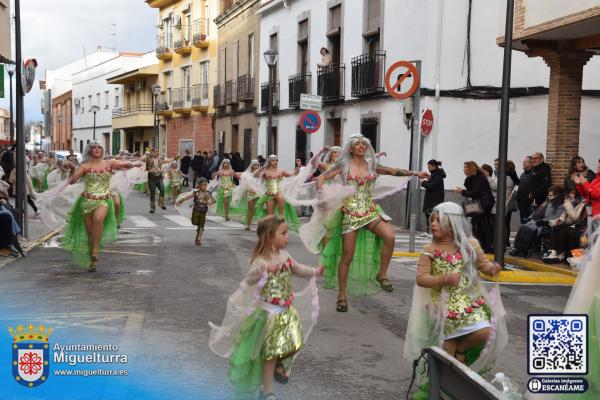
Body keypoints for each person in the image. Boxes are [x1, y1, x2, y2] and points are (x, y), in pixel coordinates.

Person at [208, 215, 323, 399]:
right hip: (267, 315)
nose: (288, 237)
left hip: (286, 313)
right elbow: (251, 277)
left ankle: (278, 364)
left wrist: (314, 272)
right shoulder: (260, 260)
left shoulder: (285, 256)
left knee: (295, 343)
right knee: (269, 355)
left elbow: (297, 268)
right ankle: (267, 392)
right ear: (270, 237)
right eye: (284, 233)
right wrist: (265, 269)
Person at [315, 134, 429, 311]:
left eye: (364, 143)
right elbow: (321, 178)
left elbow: (392, 171)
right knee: (347, 256)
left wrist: (415, 173)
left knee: (390, 236)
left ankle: (381, 274)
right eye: (357, 144)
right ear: (351, 148)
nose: (361, 146)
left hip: (369, 211)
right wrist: (322, 195)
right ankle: (342, 296)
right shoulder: (343, 165)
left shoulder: (371, 165)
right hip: (350, 213)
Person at [404, 202, 506, 398]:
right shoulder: (429, 249)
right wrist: (444, 279)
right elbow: (421, 278)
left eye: (439, 221)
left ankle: (462, 349)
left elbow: (483, 265)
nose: (433, 224)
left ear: (454, 224)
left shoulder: (471, 245)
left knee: (486, 332)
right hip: (441, 307)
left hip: (470, 303)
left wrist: (492, 269)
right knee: (445, 351)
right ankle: (440, 389)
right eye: (432, 220)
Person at [62, 141, 141, 271]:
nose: (98, 149)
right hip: (86, 201)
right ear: (89, 151)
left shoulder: (108, 163)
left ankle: (95, 252)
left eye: (100, 147)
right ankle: (92, 263)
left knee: (98, 219)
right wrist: (72, 169)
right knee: (90, 234)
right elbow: (73, 180)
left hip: (104, 199)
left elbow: (124, 164)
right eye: (94, 148)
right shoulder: (85, 166)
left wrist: (135, 164)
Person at [510, 185, 566, 258]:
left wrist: (543, 221)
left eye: (551, 195)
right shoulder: (547, 202)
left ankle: (524, 250)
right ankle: (518, 248)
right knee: (523, 226)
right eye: (548, 195)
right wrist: (529, 218)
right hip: (539, 220)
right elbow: (537, 212)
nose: (549, 196)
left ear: (557, 195)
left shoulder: (560, 205)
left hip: (547, 223)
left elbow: (555, 217)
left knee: (530, 228)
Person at [454, 161, 495, 253]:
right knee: (478, 223)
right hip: (481, 202)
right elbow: (471, 189)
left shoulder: (479, 178)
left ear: (470, 168)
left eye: (465, 167)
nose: (463, 169)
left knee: (481, 223)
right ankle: (483, 245)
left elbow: (474, 193)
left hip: (484, 203)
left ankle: (486, 245)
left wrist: (462, 191)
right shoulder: (474, 177)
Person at [253, 155, 301, 231]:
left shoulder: (281, 171)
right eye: (273, 160)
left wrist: (297, 169)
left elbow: (292, 174)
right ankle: (271, 231)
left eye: (276, 160)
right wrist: (262, 168)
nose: (275, 162)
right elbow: (255, 175)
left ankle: (281, 223)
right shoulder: (265, 171)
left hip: (278, 193)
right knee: (270, 216)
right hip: (269, 195)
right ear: (269, 162)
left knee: (281, 199)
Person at [542, 189, 587, 264]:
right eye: (570, 193)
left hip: (577, 224)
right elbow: (563, 215)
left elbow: (575, 217)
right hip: (568, 223)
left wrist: (567, 203)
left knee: (566, 232)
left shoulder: (582, 203)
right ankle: (553, 252)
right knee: (556, 228)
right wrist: (560, 221)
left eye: (573, 193)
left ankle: (563, 254)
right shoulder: (574, 202)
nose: (571, 195)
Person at [176, 178, 213, 246]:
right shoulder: (196, 193)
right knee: (194, 222)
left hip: (203, 212)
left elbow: (209, 200)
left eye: (205, 185)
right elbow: (188, 197)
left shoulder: (207, 193)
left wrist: (209, 202)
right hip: (196, 211)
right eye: (203, 185)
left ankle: (198, 239)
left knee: (201, 226)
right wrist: (180, 200)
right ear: (199, 186)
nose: (204, 186)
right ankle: (199, 228)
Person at [140, 149, 173, 213]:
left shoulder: (160, 159)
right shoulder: (148, 159)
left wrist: (175, 158)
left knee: (162, 190)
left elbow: (167, 161)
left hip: (159, 177)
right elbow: (141, 159)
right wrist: (147, 154)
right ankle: (152, 208)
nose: (157, 153)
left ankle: (161, 203)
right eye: (156, 152)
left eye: (158, 152)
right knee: (152, 193)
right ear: (152, 152)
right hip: (152, 178)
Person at [574, 158, 600, 232]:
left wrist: (585, 182)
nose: (598, 166)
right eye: (599, 164)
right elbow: (587, 195)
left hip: (598, 215)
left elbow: (596, 194)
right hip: (590, 214)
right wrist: (579, 185)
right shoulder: (596, 179)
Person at [421, 159, 446, 235]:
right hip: (431, 201)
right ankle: (429, 232)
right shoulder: (435, 175)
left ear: (434, 166)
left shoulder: (438, 176)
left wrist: (423, 182)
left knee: (432, 217)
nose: (428, 168)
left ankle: (433, 233)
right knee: (428, 216)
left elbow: (431, 186)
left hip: (434, 201)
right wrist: (429, 179)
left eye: (429, 166)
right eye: (427, 166)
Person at [517, 156, 534, 223]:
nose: (522, 163)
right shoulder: (522, 174)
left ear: (530, 163)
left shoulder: (533, 174)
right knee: (523, 223)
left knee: (529, 224)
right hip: (521, 204)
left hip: (529, 205)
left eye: (524, 162)